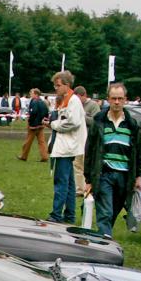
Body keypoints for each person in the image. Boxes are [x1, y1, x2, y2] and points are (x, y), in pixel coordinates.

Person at [84, 81, 141, 236]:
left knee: (113, 212)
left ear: (125, 99)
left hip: (125, 176)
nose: (117, 102)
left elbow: (139, 152)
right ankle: (105, 243)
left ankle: (102, 238)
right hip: (104, 174)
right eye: (113, 98)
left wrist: (138, 176)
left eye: (120, 98)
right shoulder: (99, 121)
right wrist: (88, 179)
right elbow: (90, 151)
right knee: (105, 212)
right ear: (108, 99)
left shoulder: (132, 124)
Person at [46, 70, 86, 225]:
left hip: (67, 147)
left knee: (61, 182)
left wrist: (54, 124)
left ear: (67, 85)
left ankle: (56, 214)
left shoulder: (73, 101)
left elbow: (73, 122)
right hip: (66, 146)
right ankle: (69, 215)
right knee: (69, 184)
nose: (56, 88)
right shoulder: (66, 100)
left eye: (58, 85)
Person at [17, 88, 49, 162]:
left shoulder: (34, 102)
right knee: (42, 142)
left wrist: (30, 121)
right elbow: (46, 112)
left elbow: (33, 112)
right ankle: (44, 156)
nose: (30, 94)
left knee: (28, 141)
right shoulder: (43, 102)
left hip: (34, 126)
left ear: (36, 94)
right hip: (41, 125)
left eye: (32, 93)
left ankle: (23, 156)